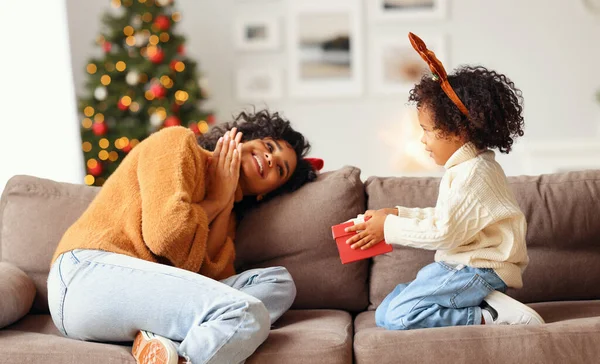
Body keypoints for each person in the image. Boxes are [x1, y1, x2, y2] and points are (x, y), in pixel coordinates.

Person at [47, 109, 321, 364]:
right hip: (84, 277)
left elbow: (206, 286)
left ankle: (161, 344)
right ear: (245, 138)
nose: (271, 158)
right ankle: (187, 356)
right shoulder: (179, 144)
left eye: (280, 170)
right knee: (247, 312)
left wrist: (225, 207)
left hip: (130, 306)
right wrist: (217, 199)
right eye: (269, 146)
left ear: (266, 192)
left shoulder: (231, 221)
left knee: (278, 282)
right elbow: (165, 235)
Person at [345, 33, 544, 330]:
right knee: (385, 310)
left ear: (458, 130)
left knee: (397, 316)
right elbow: (448, 219)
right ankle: (484, 303)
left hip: (479, 269)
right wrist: (398, 214)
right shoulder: (463, 168)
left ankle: (488, 315)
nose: (422, 140)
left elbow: (445, 232)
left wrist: (387, 228)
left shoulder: (476, 173)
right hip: (460, 266)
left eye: (427, 130)